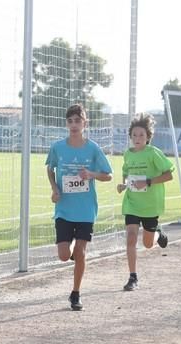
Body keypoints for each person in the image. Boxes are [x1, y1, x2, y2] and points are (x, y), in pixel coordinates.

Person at [45, 103, 112, 311]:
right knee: (64, 255)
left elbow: (108, 175)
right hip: (64, 208)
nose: (74, 124)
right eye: (70, 121)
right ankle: (72, 251)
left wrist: (91, 175)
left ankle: (75, 293)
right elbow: (50, 167)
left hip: (85, 210)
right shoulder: (58, 147)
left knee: (81, 252)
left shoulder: (93, 148)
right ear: (67, 123)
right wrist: (55, 188)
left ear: (85, 122)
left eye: (78, 120)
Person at [116, 112, 174, 291]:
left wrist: (148, 181)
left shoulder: (153, 153)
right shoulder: (128, 154)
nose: (137, 138)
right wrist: (124, 185)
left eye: (141, 135)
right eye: (134, 135)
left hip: (150, 205)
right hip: (132, 203)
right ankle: (132, 277)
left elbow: (169, 175)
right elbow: (127, 174)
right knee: (131, 238)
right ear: (130, 136)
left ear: (148, 137)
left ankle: (159, 234)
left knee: (148, 244)